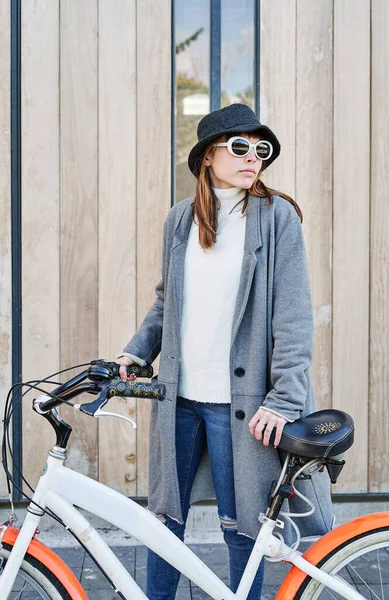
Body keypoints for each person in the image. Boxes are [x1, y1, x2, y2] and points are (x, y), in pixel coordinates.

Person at [115, 103, 333, 599]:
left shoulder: (277, 219)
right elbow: (165, 302)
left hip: (243, 405)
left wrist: (282, 399)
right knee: (164, 521)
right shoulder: (179, 220)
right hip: (180, 400)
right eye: (239, 147)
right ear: (208, 157)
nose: (252, 157)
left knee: (243, 529)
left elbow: (294, 317)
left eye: (261, 150)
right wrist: (134, 353)